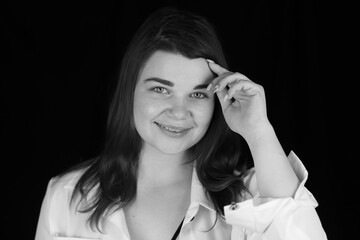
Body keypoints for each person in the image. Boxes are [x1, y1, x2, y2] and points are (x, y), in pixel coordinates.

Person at [35, 6, 327, 240]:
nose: (179, 111)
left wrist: (260, 131)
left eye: (198, 94)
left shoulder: (251, 197)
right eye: (161, 89)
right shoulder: (66, 195)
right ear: (130, 89)